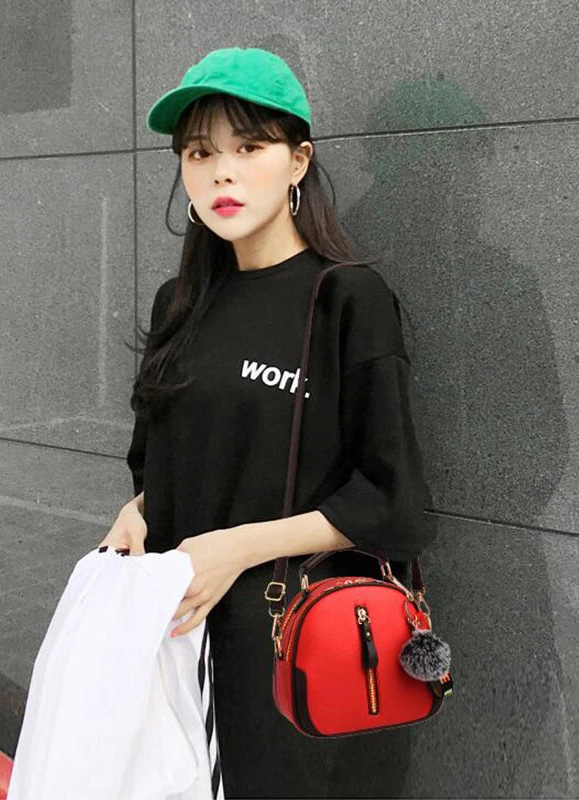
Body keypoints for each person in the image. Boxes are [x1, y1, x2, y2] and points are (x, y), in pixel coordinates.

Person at [103, 47, 438, 799]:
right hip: (174, 642)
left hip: (288, 649)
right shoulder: (178, 304)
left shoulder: (348, 300)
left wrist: (238, 547)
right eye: (200, 153)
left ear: (298, 161)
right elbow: (157, 459)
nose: (222, 173)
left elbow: (395, 500)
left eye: (249, 147)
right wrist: (139, 509)